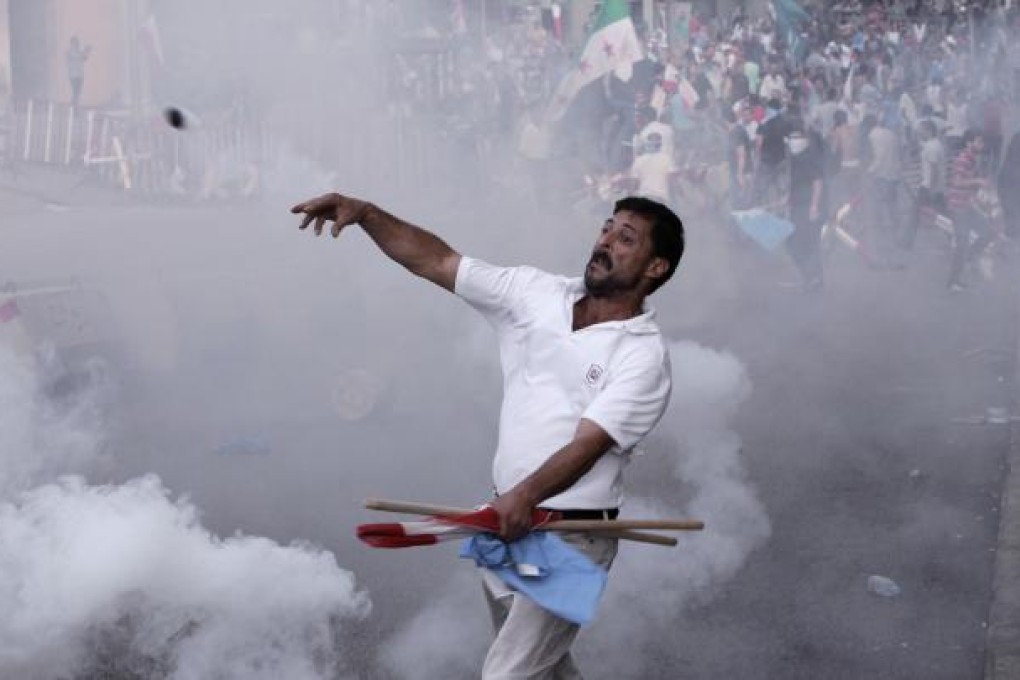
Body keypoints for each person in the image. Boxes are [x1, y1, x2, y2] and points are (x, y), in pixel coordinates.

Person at [291, 191, 684, 678]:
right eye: (607, 228)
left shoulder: (643, 356)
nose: (605, 241)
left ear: (656, 267)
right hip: (506, 518)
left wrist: (525, 497)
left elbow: (589, 444)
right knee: (544, 669)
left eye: (626, 238)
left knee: (508, 673)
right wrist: (367, 215)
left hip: (572, 536)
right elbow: (437, 261)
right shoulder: (535, 293)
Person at [946, 130, 994, 292]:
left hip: (966, 205)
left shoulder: (973, 159)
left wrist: (978, 192)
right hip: (958, 207)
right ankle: (953, 282)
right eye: (979, 142)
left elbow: (969, 184)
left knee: (989, 231)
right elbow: (957, 182)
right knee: (962, 243)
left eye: (982, 142)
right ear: (969, 143)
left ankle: (970, 256)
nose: (982, 145)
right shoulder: (964, 159)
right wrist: (978, 181)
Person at [785, 117, 827, 291]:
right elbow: (796, 183)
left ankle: (814, 279)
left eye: (797, 137)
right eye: (791, 137)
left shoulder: (809, 157)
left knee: (804, 243)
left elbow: (817, 181)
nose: (794, 141)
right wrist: (787, 199)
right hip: (797, 206)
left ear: (804, 139)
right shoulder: (795, 158)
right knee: (796, 243)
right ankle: (810, 278)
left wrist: (814, 206)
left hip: (808, 207)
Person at [65, 36, 92, 108]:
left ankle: (74, 106)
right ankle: (73, 106)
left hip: (80, 75)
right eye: (74, 43)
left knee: (77, 92)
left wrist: (87, 51)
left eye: (77, 43)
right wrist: (85, 51)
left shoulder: (79, 52)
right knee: (75, 92)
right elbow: (77, 57)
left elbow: (84, 58)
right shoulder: (69, 53)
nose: (76, 44)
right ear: (71, 43)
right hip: (73, 76)